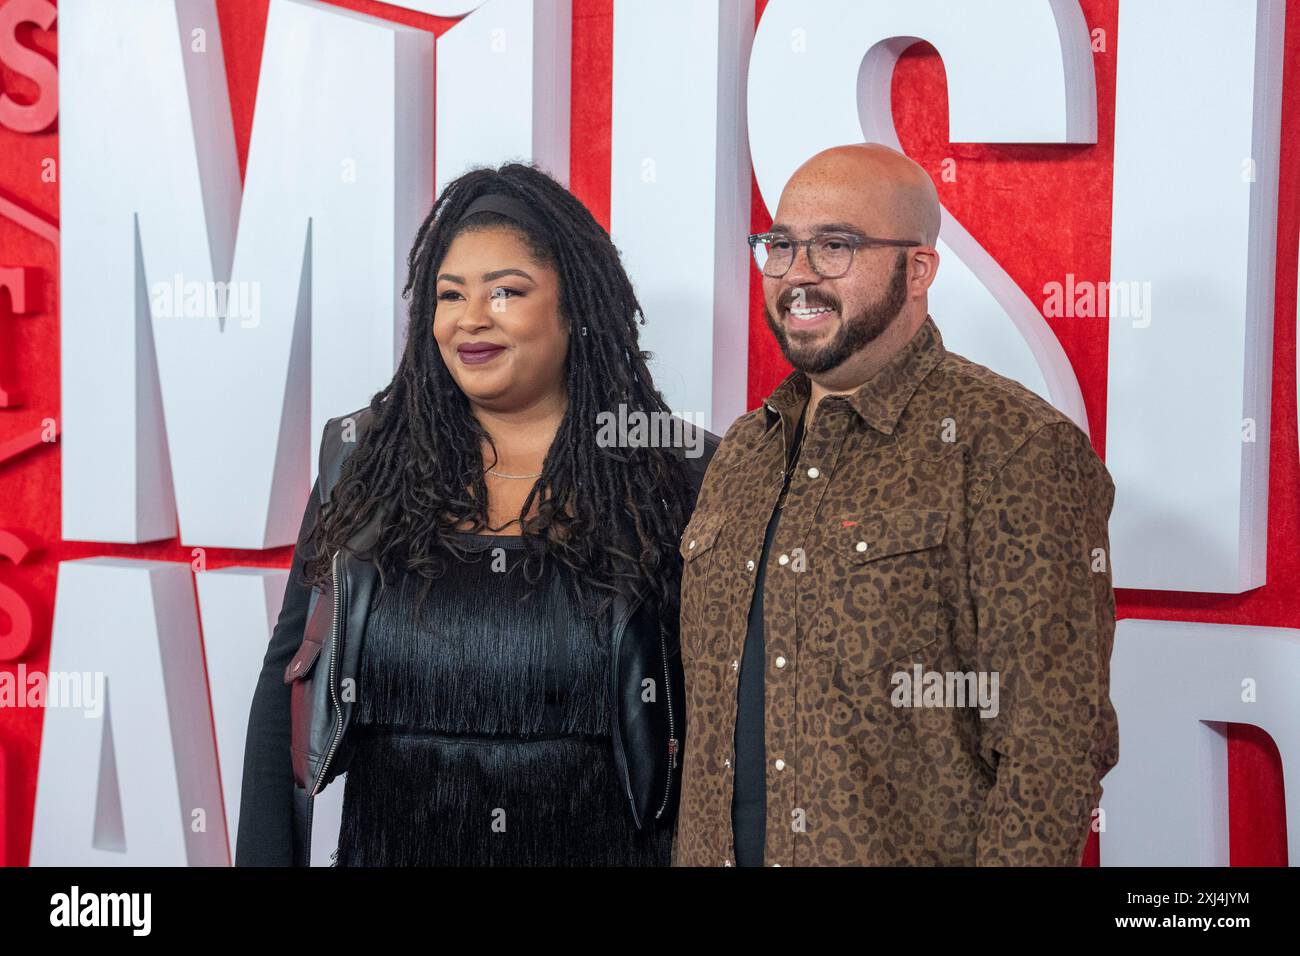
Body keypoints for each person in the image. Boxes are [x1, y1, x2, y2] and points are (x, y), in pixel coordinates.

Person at [236, 162, 714, 866]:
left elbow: (723, 720)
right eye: (449, 294)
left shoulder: (677, 471)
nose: (470, 319)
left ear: (575, 305)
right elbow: (286, 682)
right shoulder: (362, 459)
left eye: (506, 292)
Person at [672, 143, 1119, 867]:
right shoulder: (743, 454)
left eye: (836, 246)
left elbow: (1055, 747)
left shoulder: (1012, 449)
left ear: (919, 270)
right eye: (780, 245)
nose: (799, 274)